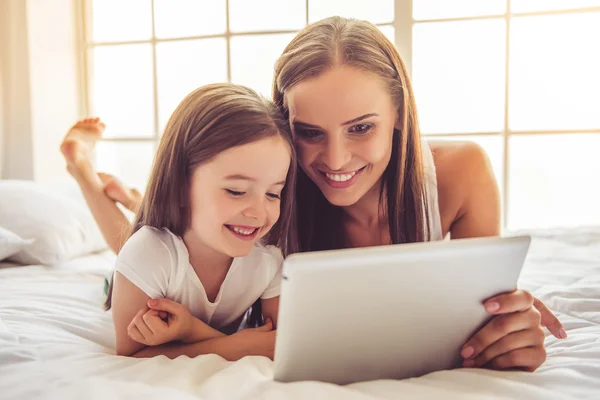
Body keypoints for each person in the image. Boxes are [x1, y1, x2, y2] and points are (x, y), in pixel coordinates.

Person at [61, 17, 565, 371]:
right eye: (310, 133)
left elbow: (483, 305)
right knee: (147, 239)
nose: (337, 160)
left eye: (362, 128)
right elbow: (169, 256)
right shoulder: (273, 192)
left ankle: (116, 187)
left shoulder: (462, 173)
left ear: (398, 119)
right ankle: (86, 172)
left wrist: (504, 326)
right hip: (179, 237)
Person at [62, 83, 297, 359]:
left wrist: (192, 330)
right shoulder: (148, 252)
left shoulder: (268, 257)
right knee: (131, 245)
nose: (259, 213)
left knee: (146, 241)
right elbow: (132, 352)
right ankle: (82, 170)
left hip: (181, 239)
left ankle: (134, 199)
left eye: (273, 193)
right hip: (144, 263)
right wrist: (234, 345)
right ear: (181, 185)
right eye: (236, 191)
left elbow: (278, 341)